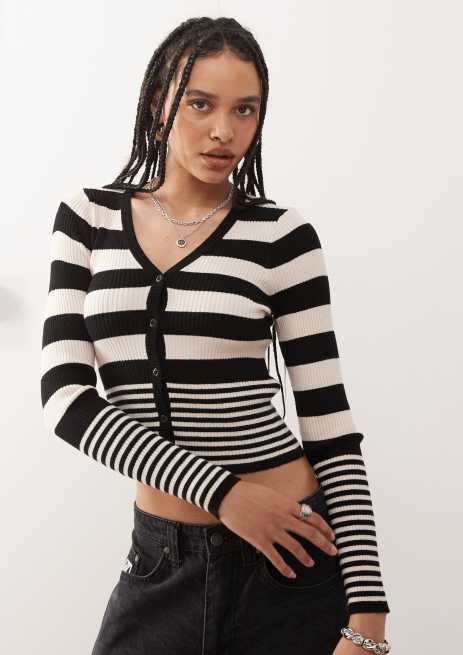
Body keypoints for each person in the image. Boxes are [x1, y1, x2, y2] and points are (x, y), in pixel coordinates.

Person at [40, 16, 391, 655]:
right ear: (159, 102)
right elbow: (65, 399)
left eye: (244, 109)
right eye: (200, 103)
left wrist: (369, 617)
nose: (224, 130)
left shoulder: (282, 237)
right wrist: (224, 494)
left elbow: (331, 430)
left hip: (288, 556)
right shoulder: (88, 219)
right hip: (160, 557)